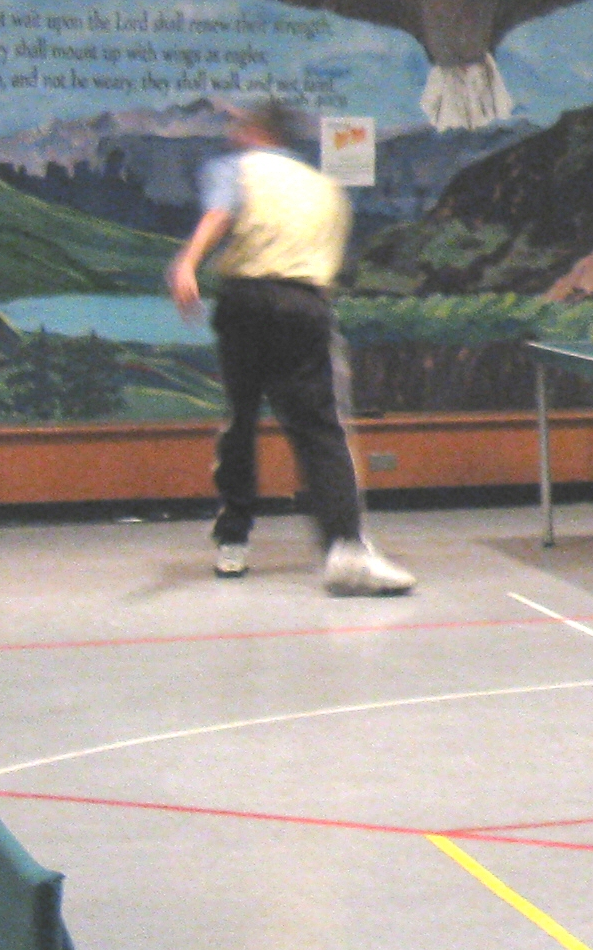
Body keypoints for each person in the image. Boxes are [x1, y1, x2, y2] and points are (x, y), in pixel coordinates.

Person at [168, 97, 413, 595]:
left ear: (255, 132)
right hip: (304, 305)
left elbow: (220, 213)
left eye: (239, 125)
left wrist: (187, 262)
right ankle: (345, 549)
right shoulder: (326, 189)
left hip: (244, 300)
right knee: (320, 429)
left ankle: (233, 540)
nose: (232, 132)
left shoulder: (236, 168)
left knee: (240, 419)